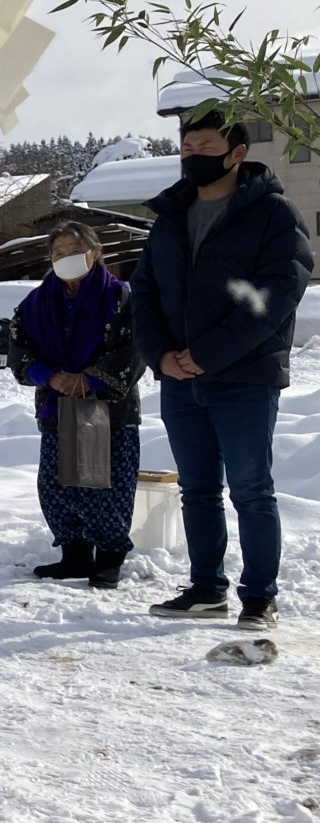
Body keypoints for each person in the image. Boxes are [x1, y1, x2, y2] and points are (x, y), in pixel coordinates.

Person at [132, 106, 312, 629]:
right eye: (187, 149)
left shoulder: (274, 215)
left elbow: (275, 295)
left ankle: (260, 597)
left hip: (244, 378)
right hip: (180, 379)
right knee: (197, 489)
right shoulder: (170, 217)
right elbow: (144, 289)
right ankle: (206, 588)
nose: (193, 158)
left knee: (252, 489)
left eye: (206, 149)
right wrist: (159, 353)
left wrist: (209, 352)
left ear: (238, 153)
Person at [8, 222, 145, 590]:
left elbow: (134, 349)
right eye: (57, 253)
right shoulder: (36, 303)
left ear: (94, 251)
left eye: (73, 250)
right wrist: (48, 375)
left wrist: (90, 379)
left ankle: (109, 558)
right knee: (57, 486)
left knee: (103, 488)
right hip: (58, 405)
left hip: (105, 406)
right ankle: (75, 555)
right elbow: (20, 349)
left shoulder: (120, 298)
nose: (65, 258)